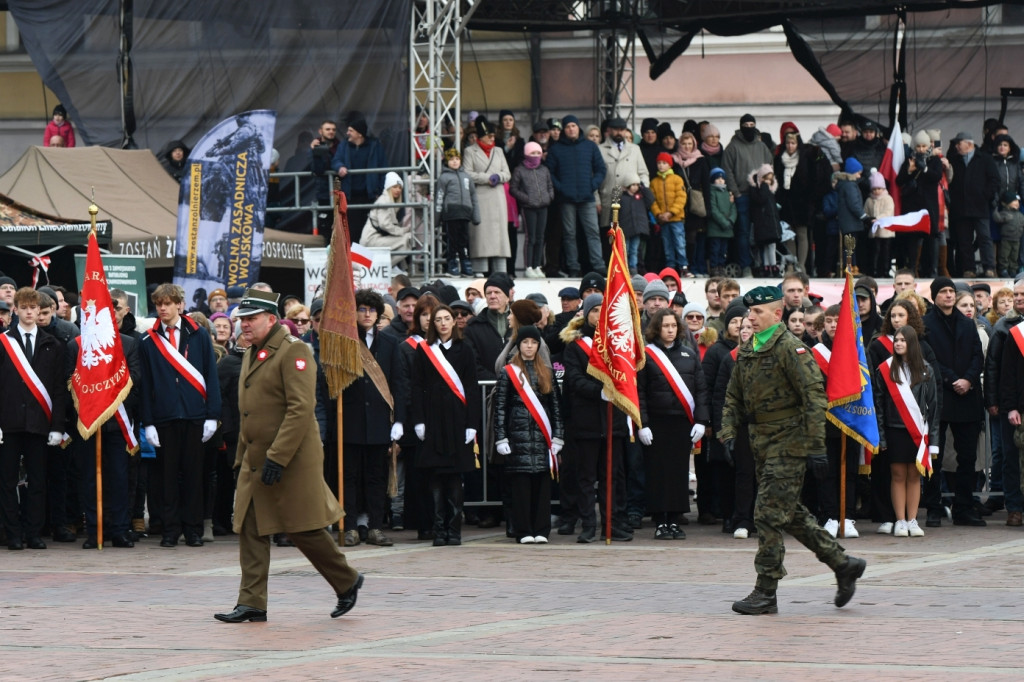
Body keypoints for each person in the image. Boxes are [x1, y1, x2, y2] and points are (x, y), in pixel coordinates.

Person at [214, 289, 363, 623]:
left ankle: (347, 580)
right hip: (256, 460)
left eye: (251, 319)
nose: (244, 325)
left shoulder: (294, 352)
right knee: (251, 526)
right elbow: (249, 410)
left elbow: (300, 409)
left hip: (291, 460)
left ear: (271, 319)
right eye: (242, 320)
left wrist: (277, 457)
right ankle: (252, 601)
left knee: (302, 529)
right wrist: (242, 457)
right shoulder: (254, 351)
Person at [720, 285, 866, 615]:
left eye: (757, 312)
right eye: (749, 312)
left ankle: (765, 591)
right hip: (762, 442)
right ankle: (843, 564)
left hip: (790, 442)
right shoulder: (749, 349)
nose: (751, 317)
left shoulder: (792, 349)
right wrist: (728, 433)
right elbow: (733, 396)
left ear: (777, 313)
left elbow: (815, 399)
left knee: (768, 515)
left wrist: (815, 448)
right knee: (791, 514)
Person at [138, 283, 222, 548]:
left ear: (179, 305)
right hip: (164, 417)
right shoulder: (149, 341)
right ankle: (170, 530)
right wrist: (148, 422)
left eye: (167, 303)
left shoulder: (198, 335)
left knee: (194, 475)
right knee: (167, 476)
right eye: (159, 304)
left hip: (195, 415)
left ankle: (193, 529)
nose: (162, 308)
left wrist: (212, 415)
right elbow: (146, 385)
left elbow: (210, 375)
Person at [560, 294, 633, 542]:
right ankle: (589, 525)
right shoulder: (575, 346)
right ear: (587, 314)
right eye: (594, 311)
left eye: (604, 311)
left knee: (612, 477)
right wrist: (598, 392)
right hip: (587, 422)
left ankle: (611, 525)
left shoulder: (616, 343)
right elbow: (574, 379)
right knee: (586, 478)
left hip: (613, 422)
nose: (599, 315)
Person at [0, 287, 67, 550]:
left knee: (38, 480)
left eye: (33, 308)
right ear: (15, 310)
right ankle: (13, 534)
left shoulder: (53, 344)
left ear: (40, 310)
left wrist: (57, 426)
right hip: (9, 423)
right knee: (6, 481)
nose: (29, 312)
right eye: (24, 307)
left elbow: (59, 389)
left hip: (40, 422)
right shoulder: (3, 343)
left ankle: (33, 533)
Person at [412, 304, 482, 546]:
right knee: (435, 478)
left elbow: (472, 388)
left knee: (454, 479)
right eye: (438, 319)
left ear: (454, 322)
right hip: (433, 420)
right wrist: (419, 420)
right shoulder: (424, 351)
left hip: (457, 419)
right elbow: (417, 387)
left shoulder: (465, 350)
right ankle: (438, 530)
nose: (442, 323)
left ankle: (454, 530)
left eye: (447, 318)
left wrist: (472, 423)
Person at [638, 309, 709, 539]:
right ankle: (660, 521)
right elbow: (640, 392)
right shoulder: (647, 355)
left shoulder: (689, 354)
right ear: (657, 328)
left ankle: (676, 518)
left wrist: (701, 420)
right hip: (657, 423)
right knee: (658, 472)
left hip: (681, 422)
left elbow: (700, 389)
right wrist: (643, 424)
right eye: (665, 326)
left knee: (678, 472)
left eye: (673, 326)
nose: (670, 330)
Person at [922, 276, 986, 527]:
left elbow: (976, 356)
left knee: (967, 456)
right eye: (944, 291)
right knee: (935, 456)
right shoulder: (926, 324)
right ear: (934, 296)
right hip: (940, 396)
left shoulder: (968, 323)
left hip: (968, 397)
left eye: (951, 291)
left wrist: (969, 380)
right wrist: (952, 380)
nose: (949, 295)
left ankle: (964, 507)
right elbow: (931, 359)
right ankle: (934, 508)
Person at [493, 325, 564, 544]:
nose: (529, 346)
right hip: (518, 437)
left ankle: (542, 529)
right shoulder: (508, 372)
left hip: (542, 438)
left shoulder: (547, 371)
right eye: (525, 342)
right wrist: (501, 437)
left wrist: (558, 436)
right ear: (518, 345)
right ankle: (523, 530)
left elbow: (555, 408)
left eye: (534, 342)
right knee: (521, 488)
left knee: (542, 486)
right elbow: (501, 407)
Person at [874, 325, 939, 538]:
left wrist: (934, 440)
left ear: (912, 344)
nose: (899, 343)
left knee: (914, 475)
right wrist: (881, 436)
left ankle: (912, 520)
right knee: (898, 474)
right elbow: (879, 406)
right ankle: (899, 520)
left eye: (903, 340)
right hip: (894, 430)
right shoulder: (885, 369)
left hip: (918, 432)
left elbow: (934, 407)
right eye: (897, 341)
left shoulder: (926, 370)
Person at [545, 114, 607, 276]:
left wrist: (592, 186)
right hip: (566, 199)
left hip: (587, 197)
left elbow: (601, 169)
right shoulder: (556, 149)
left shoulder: (590, 146)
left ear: (578, 127)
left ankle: (598, 265)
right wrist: (561, 188)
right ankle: (573, 267)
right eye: (567, 127)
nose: (570, 129)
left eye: (573, 125)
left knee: (592, 232)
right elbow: (549, 173)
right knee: (569, 234)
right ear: (564, 130)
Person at [722, 114, 773, 278]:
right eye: (746, 124)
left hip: (760, 194)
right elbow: (727, 171)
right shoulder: (732, 147)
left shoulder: (762, 147)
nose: (749, 127)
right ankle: (746, 266)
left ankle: (762, 265)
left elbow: (769, 167)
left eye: (752, 124)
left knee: (762, 231)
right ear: (741, 126)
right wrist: (735, 192)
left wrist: (766, 188)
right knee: (743, 232)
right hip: (742, 195)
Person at [463, 116, 512, 276]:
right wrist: (486, 178)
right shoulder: (470, 151)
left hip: (498, 197)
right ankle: (480, 269)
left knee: (500, 237)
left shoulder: (498, 151)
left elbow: (507, 172)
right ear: (480, 136)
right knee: (481, 234)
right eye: (489, 136)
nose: (492, 139)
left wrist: (499, 177)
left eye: (493, 136)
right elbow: (467, 173)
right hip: (480, 197)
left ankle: (500, 271)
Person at [948, 131, 1000, 277]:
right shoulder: (955, 160)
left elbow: (994, 180)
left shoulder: (985, 159)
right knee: (964, 241)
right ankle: (969, 269)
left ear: (969, 144)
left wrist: (985, 196)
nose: (957, 147)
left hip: (980, 206)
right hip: (961, 207)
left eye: (959, 143)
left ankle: (989, 268)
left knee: (984, 238)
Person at [331, 116, 387, 243]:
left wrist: (380, 192)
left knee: (370, 230)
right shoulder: (344, 145)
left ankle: (368, 260)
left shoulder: (374, 146)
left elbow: (383, 169)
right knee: (352, 230)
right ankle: (353, 259)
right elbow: (335, 160)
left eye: (350, 130)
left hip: (370, 196)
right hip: (350, 196)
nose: (347, 133)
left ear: (359, 133)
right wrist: (340, 167)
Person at [510, 141, 555, 279]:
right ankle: (529, 266)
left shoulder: (544, 169)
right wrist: (527, 199)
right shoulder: (520, 170)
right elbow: (513, 189)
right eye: (532, 153)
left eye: (538, 153)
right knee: (531, 238)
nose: (535, 156)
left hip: (543, 206)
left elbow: (550, 185)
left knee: (541, 237)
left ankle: (537, 266)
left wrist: (549, 197)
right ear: (526, 154)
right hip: (528, 208)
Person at [598, 116, 650, 230]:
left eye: (622, 129)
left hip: (631, 201)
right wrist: (596, 201)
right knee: (610, 238)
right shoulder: (600, 149)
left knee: (630, 240)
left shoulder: (634, 149)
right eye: (616, 129)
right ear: (609, 130)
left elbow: (643, 173)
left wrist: (641, 189)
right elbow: (593, 178)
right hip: (608, 200)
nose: (619, 132)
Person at [651, 152, 690, 277]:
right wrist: (659, 214)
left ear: (670, 165)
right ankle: (670, 268)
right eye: (659, 163)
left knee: (679, 243)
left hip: (676, 218)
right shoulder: (654, 182)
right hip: (663, 220)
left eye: (664, 163)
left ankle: (683, 267)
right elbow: (653, 201)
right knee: (667, 244)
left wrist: (671, 212)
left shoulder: (677, 180)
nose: (661, 166)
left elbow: (681, 198)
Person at [362, 172, 413, 267]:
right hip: (372, 239)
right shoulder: (385, 201)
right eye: (395, 187)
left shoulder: (387, 200)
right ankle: (388, 267)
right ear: (389, 188)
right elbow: (385, 225)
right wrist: (404, 230)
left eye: (400, 187)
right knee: (408, 239)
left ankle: (395, 268)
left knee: (405, 240)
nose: (398, 190)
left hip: (375, 237)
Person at [748, 164, 782, 278]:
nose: (768, 181)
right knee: (769, 246)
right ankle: (772, 266)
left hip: (771, 224)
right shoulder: (760, 189)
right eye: (766, 178)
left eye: (770, 179)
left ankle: (769, 266)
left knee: (771, 246)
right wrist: (764, 187)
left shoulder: (770, 191)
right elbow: (760, 199)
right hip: (765, 224)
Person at [865, 171, 896, 278]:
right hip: (874, 232)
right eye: (874, 189)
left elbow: (888, 212)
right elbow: (866, 212)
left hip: (886, 231)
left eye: (879, 188)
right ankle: (874, 270)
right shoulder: (869, 200)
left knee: (886, 252)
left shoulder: (888, 199)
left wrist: (877, 219)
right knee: (875, 252)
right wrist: (869, 220)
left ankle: (885, 271)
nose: (877, 191)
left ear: (883, 188)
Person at [994, 191, 1024, 278]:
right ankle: (1003, 269)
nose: (1017, 204)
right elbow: (997, 218)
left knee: (1014, 256)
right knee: (1004, 255)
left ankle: (1013, 270)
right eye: (1014, 201)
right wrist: (995, 209)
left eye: (1018, 202)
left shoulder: (1020, 215)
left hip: (1017, 240)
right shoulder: (1005, 213)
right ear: (1007, 203)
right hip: (1006, 239)